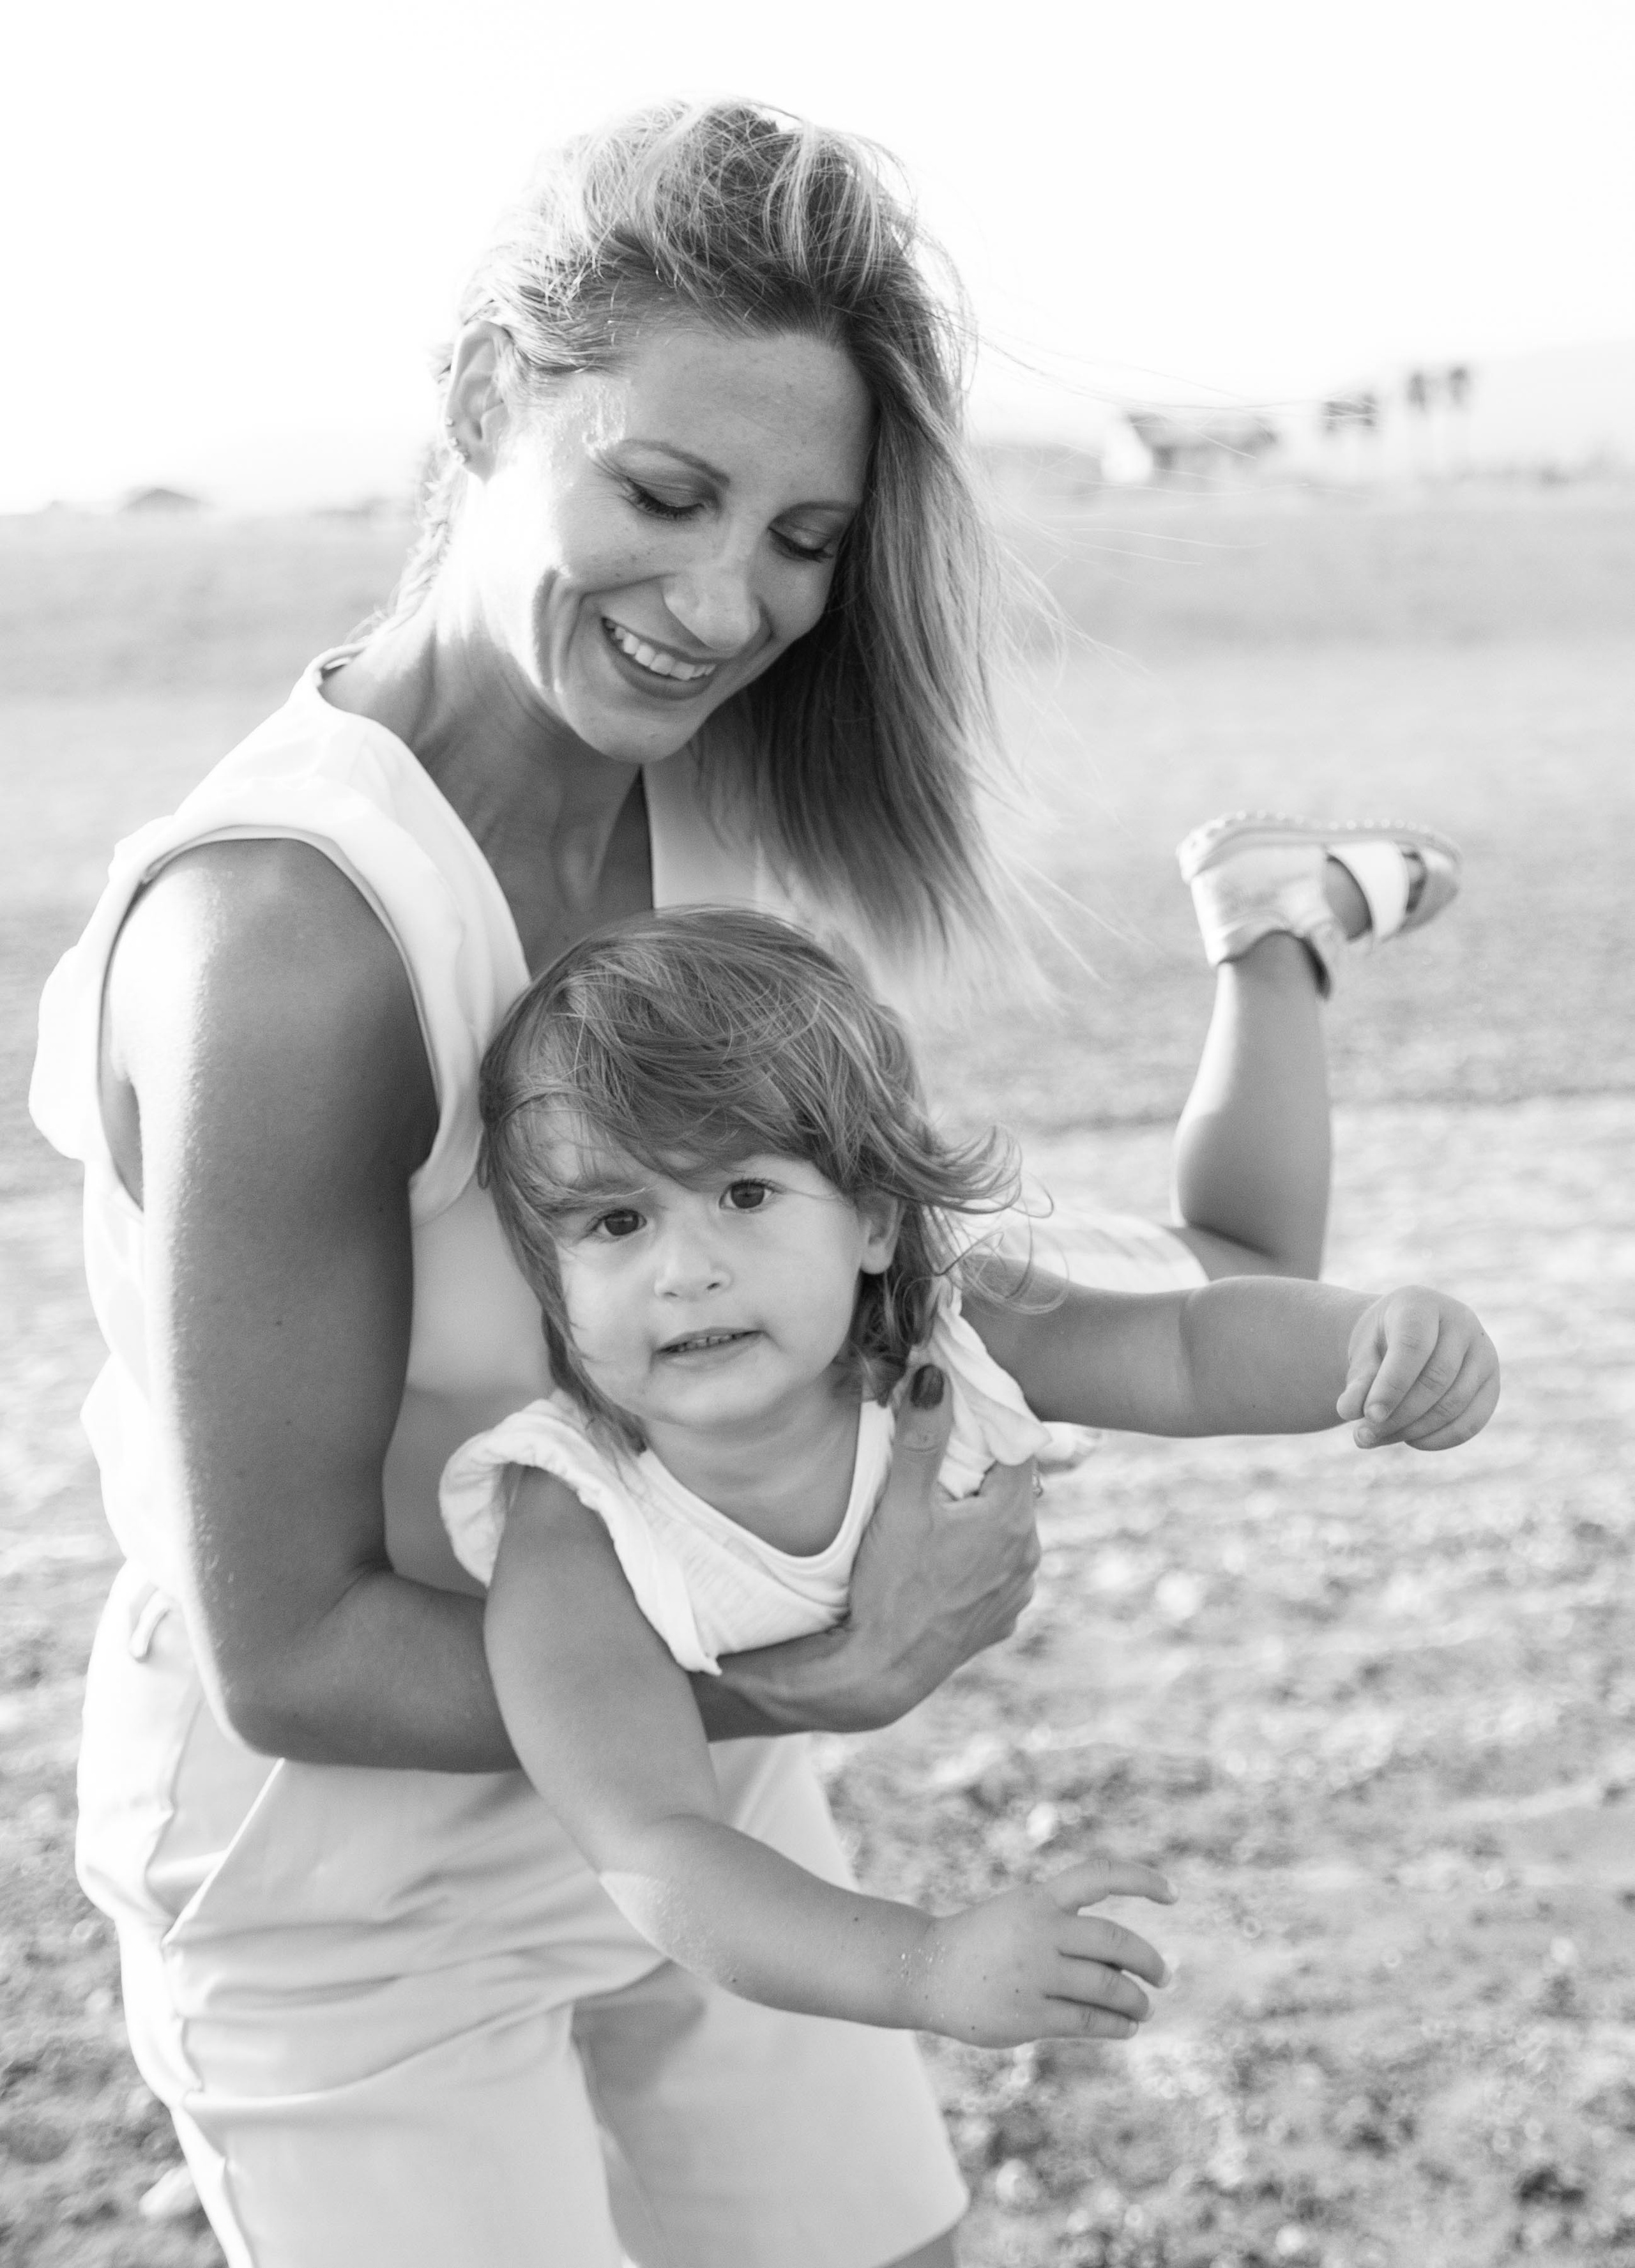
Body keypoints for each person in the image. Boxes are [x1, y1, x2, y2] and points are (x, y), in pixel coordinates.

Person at [27, 99, 1460, 2268]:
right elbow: (295, 1650)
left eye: (806, 537)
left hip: (705, 1800)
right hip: (355, 1871)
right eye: (667, 494)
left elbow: (916, 1284)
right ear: (493, 406)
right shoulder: (294, 938)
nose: (732, 603)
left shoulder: (695, 813)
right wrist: (822, 1669)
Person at [440, 908, 1495, 2066]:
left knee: (1257, 1258)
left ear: (877, 1219)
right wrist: (923, 1964)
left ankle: (1269, 928)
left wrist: (1378, 1338)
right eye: (617, 1219)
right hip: (844, 1302)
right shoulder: (578, 1530)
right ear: (550, 1281)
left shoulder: (966, 1329)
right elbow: (659, 1841)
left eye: (743, 1193)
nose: (686, 1271)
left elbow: (1192, 1353)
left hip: (1022, 1279)